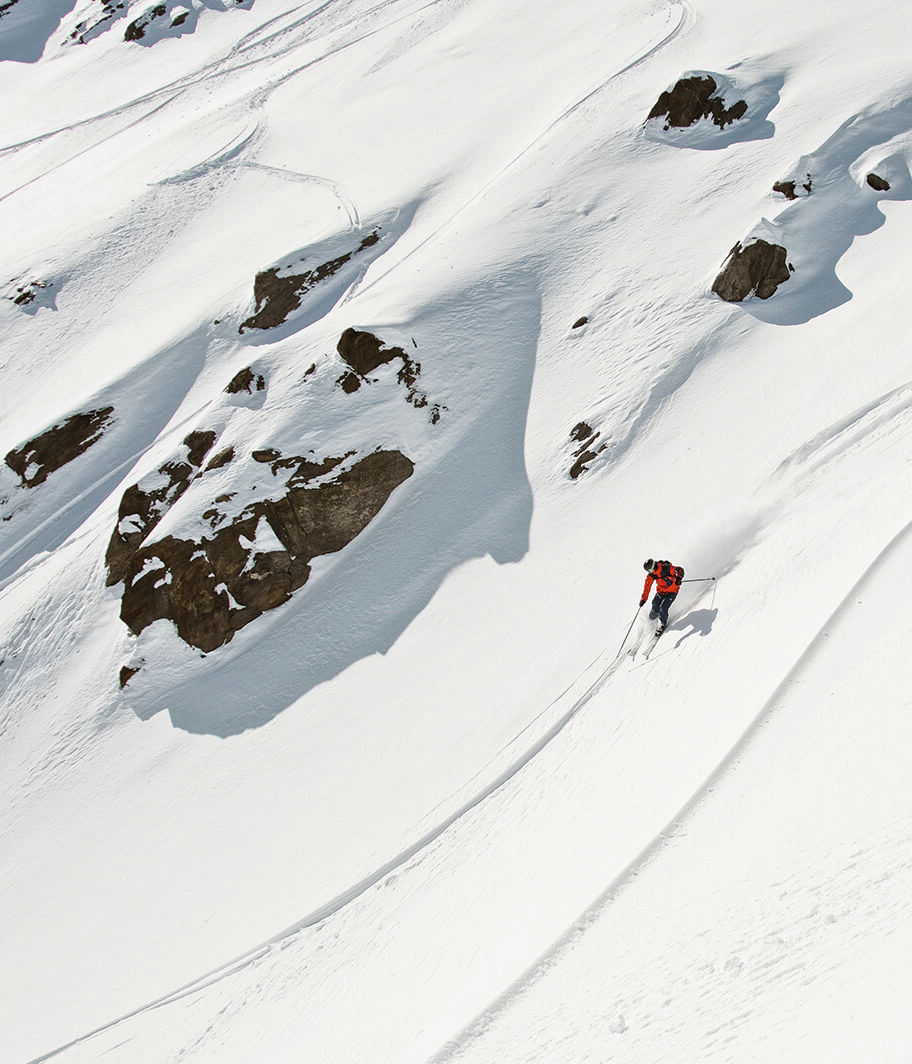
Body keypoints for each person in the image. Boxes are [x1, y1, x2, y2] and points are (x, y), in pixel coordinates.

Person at [639, 558, 685, 634]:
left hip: (672, 592)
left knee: (663, 607)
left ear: (653, 566)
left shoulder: (665, 568)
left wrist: (679, 578)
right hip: (661, 591)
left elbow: (680, 570)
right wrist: (643, 599)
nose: (649, 572)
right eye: (648, 571)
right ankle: (651, 620)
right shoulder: (651, 575)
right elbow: (647, 587)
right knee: (655, 605)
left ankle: (662, 623)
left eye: (650, 570)